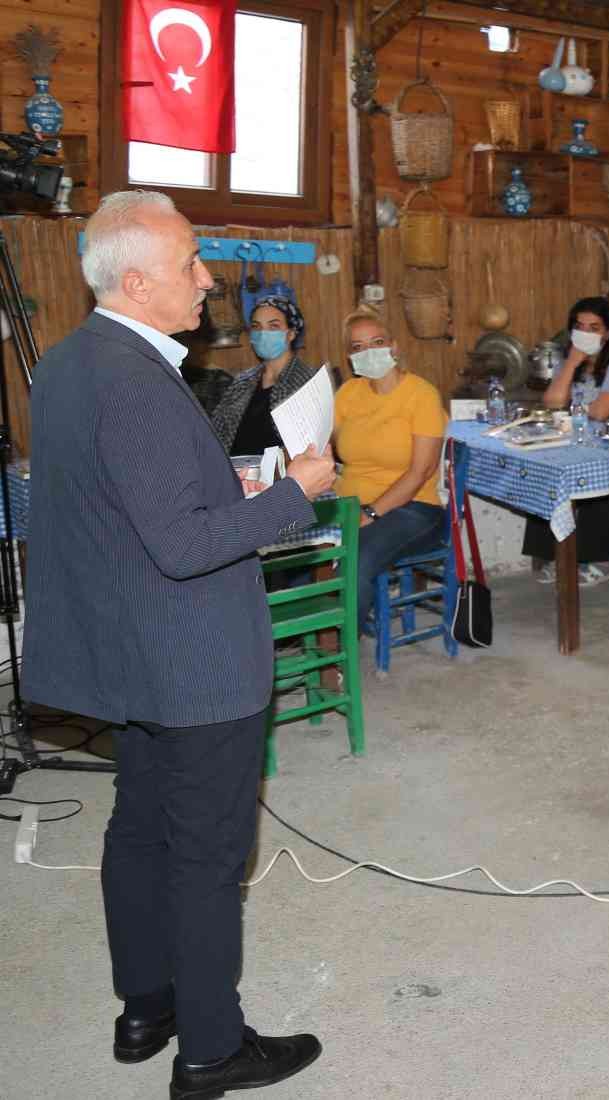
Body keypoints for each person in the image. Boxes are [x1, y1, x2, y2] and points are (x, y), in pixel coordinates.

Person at [22, 190, 333, 1098]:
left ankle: (145, 1008)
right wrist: (293, 492)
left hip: (129, 647)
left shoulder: (72, 361)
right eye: (191, 265)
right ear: (135, 279)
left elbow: (124, 512)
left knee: (139, 828)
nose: (208, 282)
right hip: (192, 659)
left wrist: (219, 495)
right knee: (204, 856)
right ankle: (210, 1049)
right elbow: (185, 545)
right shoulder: (135, 381)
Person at [528, 296, 609, 585]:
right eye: (580, 326)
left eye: (594, 327)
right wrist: (572, 363)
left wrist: (569, 411)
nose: (586, 333)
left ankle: (605, 559)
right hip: (590, 441)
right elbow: (551, 403)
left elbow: (601, 412)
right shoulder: (570, 358)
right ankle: (557, 553)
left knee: (599, 477)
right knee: (542, 468)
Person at [333, 308, 449, 631]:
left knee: (355, 559)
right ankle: (317, 643)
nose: (368, 352)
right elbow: (327, 452)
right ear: (349, 357)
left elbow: (420, 472)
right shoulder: (347, 395)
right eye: (357, 347)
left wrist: (368, 514)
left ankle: (343, 660)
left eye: (377, 342)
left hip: (414, 508)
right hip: (352, 503)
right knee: (295, 549)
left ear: (394, 347)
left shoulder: (421, 395)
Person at [210, 294, 321, 455]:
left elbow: (310, 445)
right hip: (236, 474)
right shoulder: (242, 382)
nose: (263, 333)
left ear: (291, 333)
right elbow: (216, 432)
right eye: (256, 327)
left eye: (273, 326)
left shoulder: (308, 382)